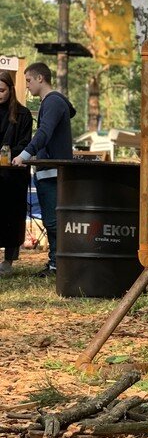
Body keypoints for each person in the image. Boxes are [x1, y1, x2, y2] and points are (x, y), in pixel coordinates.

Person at [13, 62, 76, 277]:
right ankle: (56, 262)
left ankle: (58, 264)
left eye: (29, 80)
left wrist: (24, 154)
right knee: (53, 219)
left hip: (52, 171)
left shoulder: (53, 102)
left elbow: (44, 133)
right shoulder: (52, 103)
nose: (27, 86)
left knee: (53, 220)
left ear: (41, 78)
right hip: (47, 170)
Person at [0, 71, 33, 276]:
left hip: (13, 175)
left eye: (2, 90)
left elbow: (25, 143)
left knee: (11, 216)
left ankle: (8, 261)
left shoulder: (23, 114)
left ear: (10, 90)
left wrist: (8, 153)